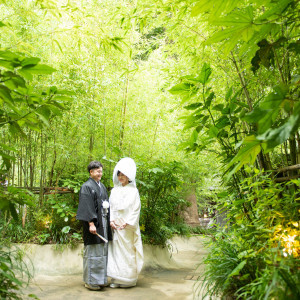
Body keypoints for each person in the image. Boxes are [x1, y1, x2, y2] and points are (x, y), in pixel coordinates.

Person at [107, 157, 143, 288]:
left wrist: (127, 223)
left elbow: (136, 209)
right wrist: (111, 220)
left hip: (127, 226)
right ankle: (116, 278)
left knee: (128, 251)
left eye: (123, 175)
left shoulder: (134, 191)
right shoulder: (114, 190)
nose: (121, 177)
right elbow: (110, 207)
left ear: (129, 176)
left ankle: (128, 279)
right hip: (115, 225)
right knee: (115, 252)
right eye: (119, 174)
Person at [76, 160, 112, 291]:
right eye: (98, 171)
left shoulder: (101, 186)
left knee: (102, 251)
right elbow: (86, 206)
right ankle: (90, 281)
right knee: (92, 252)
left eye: (101, 171)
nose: (100, 173)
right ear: (91, 172)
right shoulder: (86, 186)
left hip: (103, 223)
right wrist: (91, 223)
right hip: (93, 224)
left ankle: (101, 279)